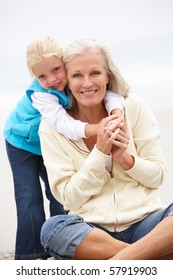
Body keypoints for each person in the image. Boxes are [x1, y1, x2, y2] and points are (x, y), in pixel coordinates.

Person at [39, 38, 173, 260]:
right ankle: (153, 256)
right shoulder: (51, 128)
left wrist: (127, 160)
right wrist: (99, 154)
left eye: (95, 73)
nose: (87, 83)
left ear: (107, 75)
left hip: (146, 225)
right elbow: (69, 199)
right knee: (53, 229)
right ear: (67, 82)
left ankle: (118, 263)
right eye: (77, 75)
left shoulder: (134, 107)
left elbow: (157, 176)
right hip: (92, 231)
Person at [3, 36, 125, 260]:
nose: (52, 79)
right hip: (20, 142)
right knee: (29, 197)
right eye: (42, 76)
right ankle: (30, 255)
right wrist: (95, 129)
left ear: (65, 65)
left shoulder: (75, 79)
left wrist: (116, 113)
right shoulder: (41, 95)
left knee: (58, 192)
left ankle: (60, 245)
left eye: (56, 70)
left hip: (47, 144)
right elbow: (63, 123)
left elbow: (110, 94)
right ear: (34, 77)